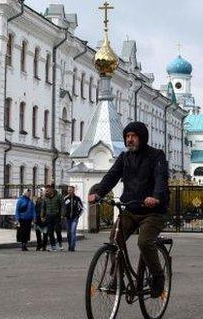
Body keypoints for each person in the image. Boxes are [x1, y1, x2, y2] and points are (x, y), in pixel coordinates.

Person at [88, 121, 169, 298]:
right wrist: (98, 192)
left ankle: (158, 277)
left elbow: (160, 177)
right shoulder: (124, 158)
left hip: (153, 211)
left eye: (133, 136)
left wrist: (155, 197)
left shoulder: (156, 156)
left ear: (142, 137)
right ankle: (118, 279)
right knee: (115, 239)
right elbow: (111, 176)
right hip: (131, 209)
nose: (129, 140)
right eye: (127, 136)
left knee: (144, 242)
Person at [41, 184, 64, 252]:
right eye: (46, 191)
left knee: (57, 230)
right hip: (49, 216)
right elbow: (43, 207)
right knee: (50, 232)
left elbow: (63, 205)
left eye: (48, 190)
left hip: (57, 216)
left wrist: (62, 214)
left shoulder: (59, 196)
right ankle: (53, 246)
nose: (46, 192)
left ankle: (60, 244)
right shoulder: (45, 197)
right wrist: (42, 216)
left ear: (51, 189)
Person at [63, 185, 84, 252]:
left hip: (75, 218)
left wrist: (78, 215)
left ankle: (72, 247)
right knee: (69, 233)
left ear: (73, 190)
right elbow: (63, 208)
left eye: (70, 190)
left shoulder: (77, 199)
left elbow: (81, 208)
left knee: (73, 232)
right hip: (68, 218)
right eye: (68, 190)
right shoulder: (66, 198)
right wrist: (63, 215)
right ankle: (69, 245)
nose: (68, 191)